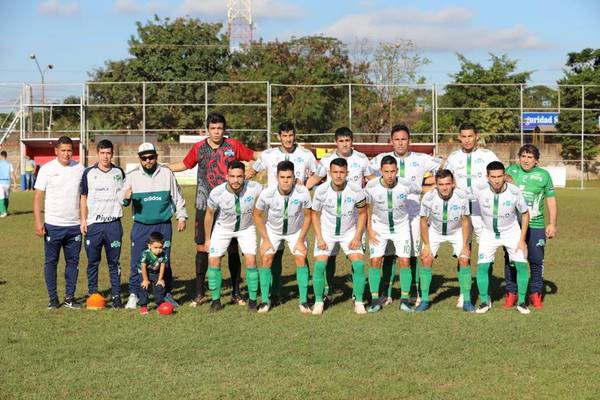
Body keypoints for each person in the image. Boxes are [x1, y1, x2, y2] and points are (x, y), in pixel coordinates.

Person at [169, 112, 259, 307]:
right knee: (203, 247)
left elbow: (254, 156)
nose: (217, 132)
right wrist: (163, 167)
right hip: (204, 202)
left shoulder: (233, 145)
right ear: (208, 130)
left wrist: (256, 168)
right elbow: (184, 165)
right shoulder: (199, 147)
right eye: (213, 129)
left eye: (220, 128)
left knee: (233, 248)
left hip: (231, 205)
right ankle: (200, 293)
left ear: (224, 129)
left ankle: (236, 292)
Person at [370, 124, 441, 306]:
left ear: (409, 140)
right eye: (397, 139)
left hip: (414, 211)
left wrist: (429, 184)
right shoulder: (381, 160)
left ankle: (413, 292)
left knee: (413, 253)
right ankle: (385, 291)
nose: (400, 143)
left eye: (404, 139)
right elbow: (367, 176)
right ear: (391, 141)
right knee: (387, 253)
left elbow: (443, 168)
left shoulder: (421, 159)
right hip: (389, 211)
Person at [247, 122, 316, 304]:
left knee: (300, 251)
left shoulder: (305, 155)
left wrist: (306, 185)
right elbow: (252, 172)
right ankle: (274, 293)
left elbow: (318, 174)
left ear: (295, 135)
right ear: (279, 136)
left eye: (291, 135)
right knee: (273, 253)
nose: (288, 139)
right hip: (273, 208)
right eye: (284, 136)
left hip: (296, 207)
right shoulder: (269, 155)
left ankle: (304, 295)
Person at [306, 127, 375, 303]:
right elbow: (315, 178)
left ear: (352, 141)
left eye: (347, 140)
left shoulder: (361, 159)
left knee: (355, 256)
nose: (344, 144)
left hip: (354, 217)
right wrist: (299, 188)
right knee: (330, 256)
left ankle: (356, 294)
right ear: (336, 142)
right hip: (331, 216)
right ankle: (327, 291)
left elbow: (371, 180)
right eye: (341, 141)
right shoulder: (327, 159)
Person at [121, 143, 187, 310]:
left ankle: (166, 294)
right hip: (141, 226)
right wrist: (127, 198)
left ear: (156, 156)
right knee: (137, 261)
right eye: (144, 158)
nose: (148, 161)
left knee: (164, 261)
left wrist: (182, 216)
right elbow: (122, 199)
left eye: (151, 157)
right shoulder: (132, 175)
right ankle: (134, 294)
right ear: (140, 159)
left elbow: (177, 196)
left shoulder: (166, 173)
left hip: (163, 225)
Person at [445, 122, 500, 307]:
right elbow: (445, 180)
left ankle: (486, 292)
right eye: (464, 136)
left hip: (482, 211)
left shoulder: (488, 155)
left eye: (470, 136)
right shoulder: (453, 158)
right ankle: (464, 292)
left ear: (476, 136)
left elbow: (498, 177)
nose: (467, 140)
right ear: (459, 137)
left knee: (485, 251)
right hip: (461, 212)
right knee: (464, 252)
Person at [253, 160, 312, 313]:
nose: (286, 180)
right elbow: (257, 215)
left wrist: (300, 240)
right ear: (277, 177)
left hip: (295, 232)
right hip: (272, 232)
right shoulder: (267, 193)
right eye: (283, 177)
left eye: (289, 177)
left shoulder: (303, 192)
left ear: (294, 177)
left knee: (300, 256)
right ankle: (265, 301)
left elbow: (308, 216)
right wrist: (265, 239)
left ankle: (304, 301)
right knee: (266, 257)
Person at [203, 161, 263, 312]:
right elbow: (209, 215)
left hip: (246, 228)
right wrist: (207, 239)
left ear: (245, 176)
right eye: (232, 176)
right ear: (226, 176)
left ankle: (253, 300)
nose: (236, 180)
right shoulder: (217, 192)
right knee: (214, 260)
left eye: (239, 176)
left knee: (251, 259)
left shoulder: (255, 188)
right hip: (223, 229)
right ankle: (216, 301)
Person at [311, 157, 368, 315]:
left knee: (359, 265)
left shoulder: (356, 190)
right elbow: (315, 215)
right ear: (329, 173)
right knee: (320, 266)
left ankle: (359, 300)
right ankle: (318, 301)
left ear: (347, 173)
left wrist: (357, 237)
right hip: (326, 233)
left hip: (349, 232)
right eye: (335, 172)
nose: (338, 175)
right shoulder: (321, 190)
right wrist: (320, 238)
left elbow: (363, 213)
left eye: (342, 172)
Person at [33, 136, 85, 309]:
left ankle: (70, 298)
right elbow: (38, 197)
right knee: (51, 262)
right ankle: (53, 299)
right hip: (53, 225)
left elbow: (84, 197)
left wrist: (84, 220)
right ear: (56, 151)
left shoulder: (80, 169)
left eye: (69, 150)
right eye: (63, 150)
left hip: (74, 226)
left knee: (73, 263)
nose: (66, 153)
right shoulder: (47, 169)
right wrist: (38, 222)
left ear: (73, 151)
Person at [504, 144, 557, 309]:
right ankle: (511, 293)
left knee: (536, 260)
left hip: (536, 224)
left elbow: (550, 200)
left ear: (536, 161)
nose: (526, 160)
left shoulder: (544, 175)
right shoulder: (510, 171)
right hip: (513, 225)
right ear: (519, 158)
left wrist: (552, 223)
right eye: (523, 156)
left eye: (530, 157)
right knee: (511, 260)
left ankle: (535, 293)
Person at [473, 161, 530, 315]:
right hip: (488, 233)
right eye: (493, 177)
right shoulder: (479, 189)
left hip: (511, 232)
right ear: (487, 177)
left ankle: (522, 302)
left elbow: (525, 213)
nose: (497, 180)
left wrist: (522, 239)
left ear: (505, 176)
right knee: (483, 266)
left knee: (521, 265)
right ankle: (485, 301)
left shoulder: (514, 191)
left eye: (500, 176)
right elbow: (457, 193)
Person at [365, 155, 419, 313]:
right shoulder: (371, 185)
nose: (389, 175)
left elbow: (421, 189)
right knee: (375, 261)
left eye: (393, 171)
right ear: (381, 171)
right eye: (386, 171)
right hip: (378, 227)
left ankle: (404, 300)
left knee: (404, 261)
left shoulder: (406, 184)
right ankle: (375, 300)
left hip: (401, 226)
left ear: (397, 171)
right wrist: (369, 230)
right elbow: (366, 209)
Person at [419, 169, 474, 312]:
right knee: (426, 259)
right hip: (435, 231)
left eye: (448, 184)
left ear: (453, 184)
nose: (444, 187)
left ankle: (466, 300)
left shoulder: (462, 196)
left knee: (464, 258)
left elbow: (466, 221)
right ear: (436, 185)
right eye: (441, 184)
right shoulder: (428, 197)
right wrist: (426, 245)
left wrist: (465, 244)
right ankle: (424, 300)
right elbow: (423, 222)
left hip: (456, 231)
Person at [80, 139, 125, 308]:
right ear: (97, 153)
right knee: (93, 262)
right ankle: (93, 294)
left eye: (108, 153)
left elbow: (124, 195)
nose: (105, 156)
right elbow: (83, 197)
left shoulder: (119, 172)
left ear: (112, 154)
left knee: (114, 262)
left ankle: (116, 296)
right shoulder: (89, 173)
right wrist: (83, 220)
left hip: (113, 224)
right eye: (102, 153)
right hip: (94, 225)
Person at [138, 232, 168, 315]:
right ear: (149, 246)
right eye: (155, 247)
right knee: (144, 287)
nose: (158, 250)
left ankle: (160, 304)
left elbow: (162, 266)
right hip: (144, 273)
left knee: (159, 287)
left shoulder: (163, 254)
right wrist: (145, 280)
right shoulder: (145, 254)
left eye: (160, 247)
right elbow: (143, 267)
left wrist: (160, 279)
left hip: (155, 273)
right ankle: (143, 306)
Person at [0, 150, 18, 217]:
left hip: (1, 182)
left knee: (1, 197)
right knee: (6, 198)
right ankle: (5, 211)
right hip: (8, 183)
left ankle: (3, 212)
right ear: (6, 156)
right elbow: (12, 174)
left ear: (1, 156)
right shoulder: (9, 164)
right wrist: (15, 183)